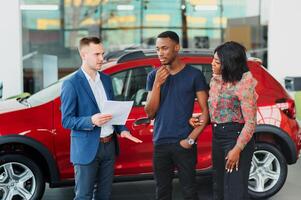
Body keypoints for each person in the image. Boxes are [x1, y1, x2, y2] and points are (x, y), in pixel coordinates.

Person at [61, 36, 142, 200]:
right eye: (96, 54)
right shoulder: (71, 83)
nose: (102, 58)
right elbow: (67, 120)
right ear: (84, 55)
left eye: (102, 53)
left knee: (104, 195)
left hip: (109, 146)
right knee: (83, 195)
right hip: (86, 148)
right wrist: (91, 120)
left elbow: (111, 111)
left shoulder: (106, 79)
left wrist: (123, 130)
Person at [144, 31, 209, 200]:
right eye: (157, 49)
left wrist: (190, 140)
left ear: (177, 48)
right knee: (162, 192)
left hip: (184, 143)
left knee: (189, 191)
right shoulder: (153, 76)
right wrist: (158, 84)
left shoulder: (194, 75)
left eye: (164, 48)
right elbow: (150, 113)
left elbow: (205, 112)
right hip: (160, 143)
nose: (160, 53)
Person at [190, 41, 257, 200]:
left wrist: (237, 149)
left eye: (217, 61)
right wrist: (200, 119)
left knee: (234, 191)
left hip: (236, 138)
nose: (212, 63)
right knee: (218, 188)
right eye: (213, 59)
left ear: (229, 64)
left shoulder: (244, 84)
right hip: (217, 136)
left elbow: (251, 123)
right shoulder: (215, 80)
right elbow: (218, 112)